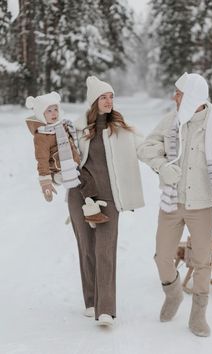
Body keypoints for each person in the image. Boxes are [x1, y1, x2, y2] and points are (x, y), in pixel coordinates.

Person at [137, 72, 212, 337]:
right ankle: (173, 294)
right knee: (161, 256)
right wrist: (162, 167)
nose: (174, 97)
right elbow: (145, 147)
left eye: (178, 93)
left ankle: (198, 314)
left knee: (202, 262)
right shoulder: (171, 121)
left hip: (202, 207)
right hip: (171, 204)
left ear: (192, 98)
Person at [68, 76, 144, 326]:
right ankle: (90, 300)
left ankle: (106, 309)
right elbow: (64, 161)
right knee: (87, 249)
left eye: (111, 97)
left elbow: (144, 147)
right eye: (104, 97)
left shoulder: (122, 128)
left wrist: (163, 162)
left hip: (109, 198)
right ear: (94, 101)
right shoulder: (78, 129)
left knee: (105, 251)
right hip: (80, 196)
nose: (109, 101)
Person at [25, 92, 109, 225]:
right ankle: (92, 213)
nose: (54, 113)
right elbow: (41, 159)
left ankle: (80, 213)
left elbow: (73, 136)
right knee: (86, 180)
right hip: (60, 169)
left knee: (84, 181)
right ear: (41, 114)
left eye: (55, 109)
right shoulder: (42, 135)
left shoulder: (62, 126)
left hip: (71, 163)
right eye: (49, 111)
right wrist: (45, 182)